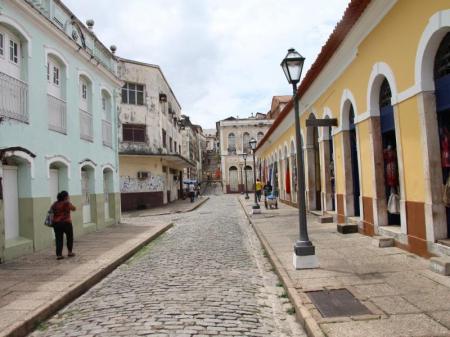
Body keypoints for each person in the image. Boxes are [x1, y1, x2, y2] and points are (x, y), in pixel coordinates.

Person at [51, 191, 76, 260]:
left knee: (58, 239)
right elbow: (74, 208)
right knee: (69, 237)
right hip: (66, 223)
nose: (68, 196)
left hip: (56, 224)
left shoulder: (55, 204)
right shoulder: (66, 203)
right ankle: (70, 252)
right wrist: (68, 202)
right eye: (68, 196)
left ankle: (59, 255)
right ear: (65, 197)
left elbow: (51, 211)